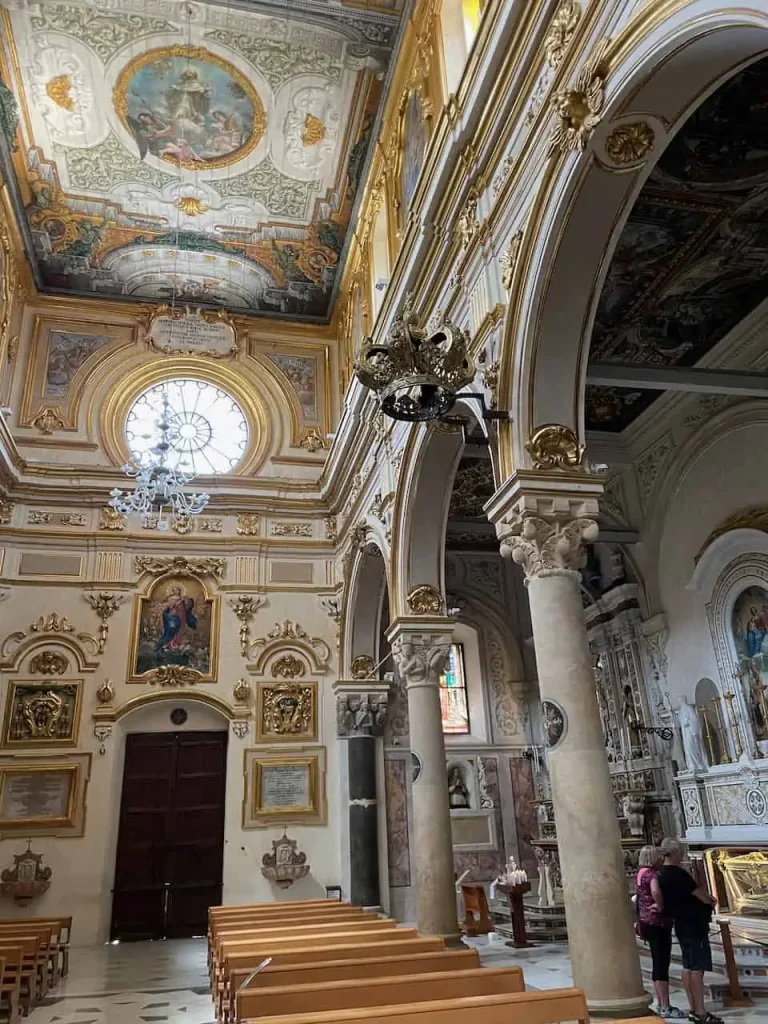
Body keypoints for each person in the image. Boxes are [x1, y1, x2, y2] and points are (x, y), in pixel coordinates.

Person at [658, 838, 723, 1024]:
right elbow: (700, 895)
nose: (682, 855)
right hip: (693, 923)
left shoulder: (662, 874)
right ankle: (701, 1012)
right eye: (680, 852)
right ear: (674, 853)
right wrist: (710, 900)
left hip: (680, 923)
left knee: (688, 966)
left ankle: (694, 1008)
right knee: (696, 968)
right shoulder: (678, 874)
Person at [636, 846, 685, 1019]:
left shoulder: (641, 872)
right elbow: (655, 890)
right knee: (662, 963)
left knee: (657, 962)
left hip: (645, 921)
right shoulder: (652, 874)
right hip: (657, 922)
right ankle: (665, 1005)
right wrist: (661, 905)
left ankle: (661, 1002)